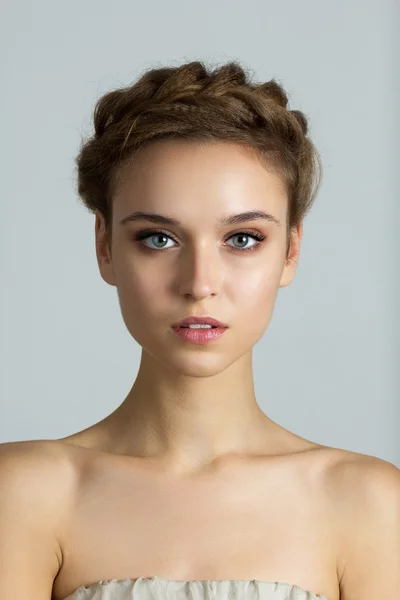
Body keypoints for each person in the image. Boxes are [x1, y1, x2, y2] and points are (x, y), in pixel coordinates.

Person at [0, 60, 399, 600]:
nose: (199, 284)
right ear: (104, 246)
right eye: (158, 238)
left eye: (242, 239)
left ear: (292, 251)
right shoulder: (23, 493)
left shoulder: (369, 503)